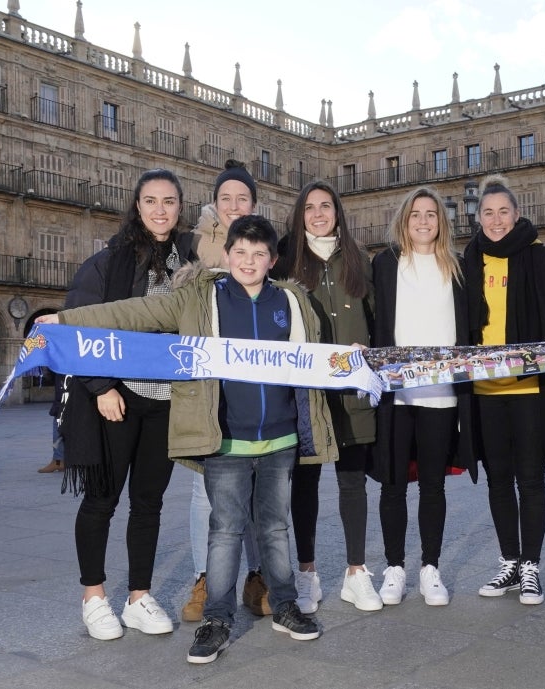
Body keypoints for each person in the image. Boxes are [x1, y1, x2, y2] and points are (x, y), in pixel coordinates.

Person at [39, 215, 335, 663]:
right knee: (224, 531)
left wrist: (352, 361)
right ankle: (217, 618)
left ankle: (285, 604)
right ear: (228, 255)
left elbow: (318, 355)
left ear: (272, 259)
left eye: (259, 254)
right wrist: (65, 320)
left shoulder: (293, 302)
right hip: (224, 438)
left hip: (279, 439)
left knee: (275, 527)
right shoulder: (200, 298)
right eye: (240, 253)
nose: (249, 261)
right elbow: (131, 312)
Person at [54, 169, 195, 641]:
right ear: (137, 206)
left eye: (169, 201)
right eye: (151, 200)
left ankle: (138, 597)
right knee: (101, 500)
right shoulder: (106, 263)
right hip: (118, 397)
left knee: (149, 504)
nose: (160, 209)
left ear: (180, 208)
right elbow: (79, 328)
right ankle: (93, 598)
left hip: (168, 401)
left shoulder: (192, 262)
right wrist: (101, 387)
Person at [273, 180, 380, 612]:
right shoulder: (284, 262)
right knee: (307, 484)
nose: (319, 214)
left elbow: (377, 319)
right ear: (300, 216)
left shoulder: (360, 261)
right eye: (310, 208)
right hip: (309, 393)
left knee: (353, 483)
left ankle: (356, 572)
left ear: (338, 212)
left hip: (353, 390)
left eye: (326, 207)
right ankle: (307, 573)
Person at [464, 174, 545, 605]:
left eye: (504, 211)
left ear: (517, 214)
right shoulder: (468, 261)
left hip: (529, 391)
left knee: (531, 480)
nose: (496, 219)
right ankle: (509, 562)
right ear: (478, 218)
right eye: (488, 212)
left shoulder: (543, 259)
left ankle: (531, 568)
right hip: (485, 392)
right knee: (497, 481)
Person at [371, 187, 469, 606]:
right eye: (416, 215)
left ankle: (431, 568)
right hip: (397, 393)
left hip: (442, 395)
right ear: (404, 221)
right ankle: (395, 568)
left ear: (441, 222)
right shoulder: (386, 264)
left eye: (431, 214)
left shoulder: (458, 268)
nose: (424, 221)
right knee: (392, 485)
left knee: (432, 486)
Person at [181, 160, 270, 623]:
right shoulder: (191, 249)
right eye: (226, 198)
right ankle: (204, 579)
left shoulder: (270, 249)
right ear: (214, 204)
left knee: (254, 491)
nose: (234, 205)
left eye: (243, 198)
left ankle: (257, 577)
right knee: (203, 491)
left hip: (255, 390)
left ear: (254, 204)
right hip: (207, 387)